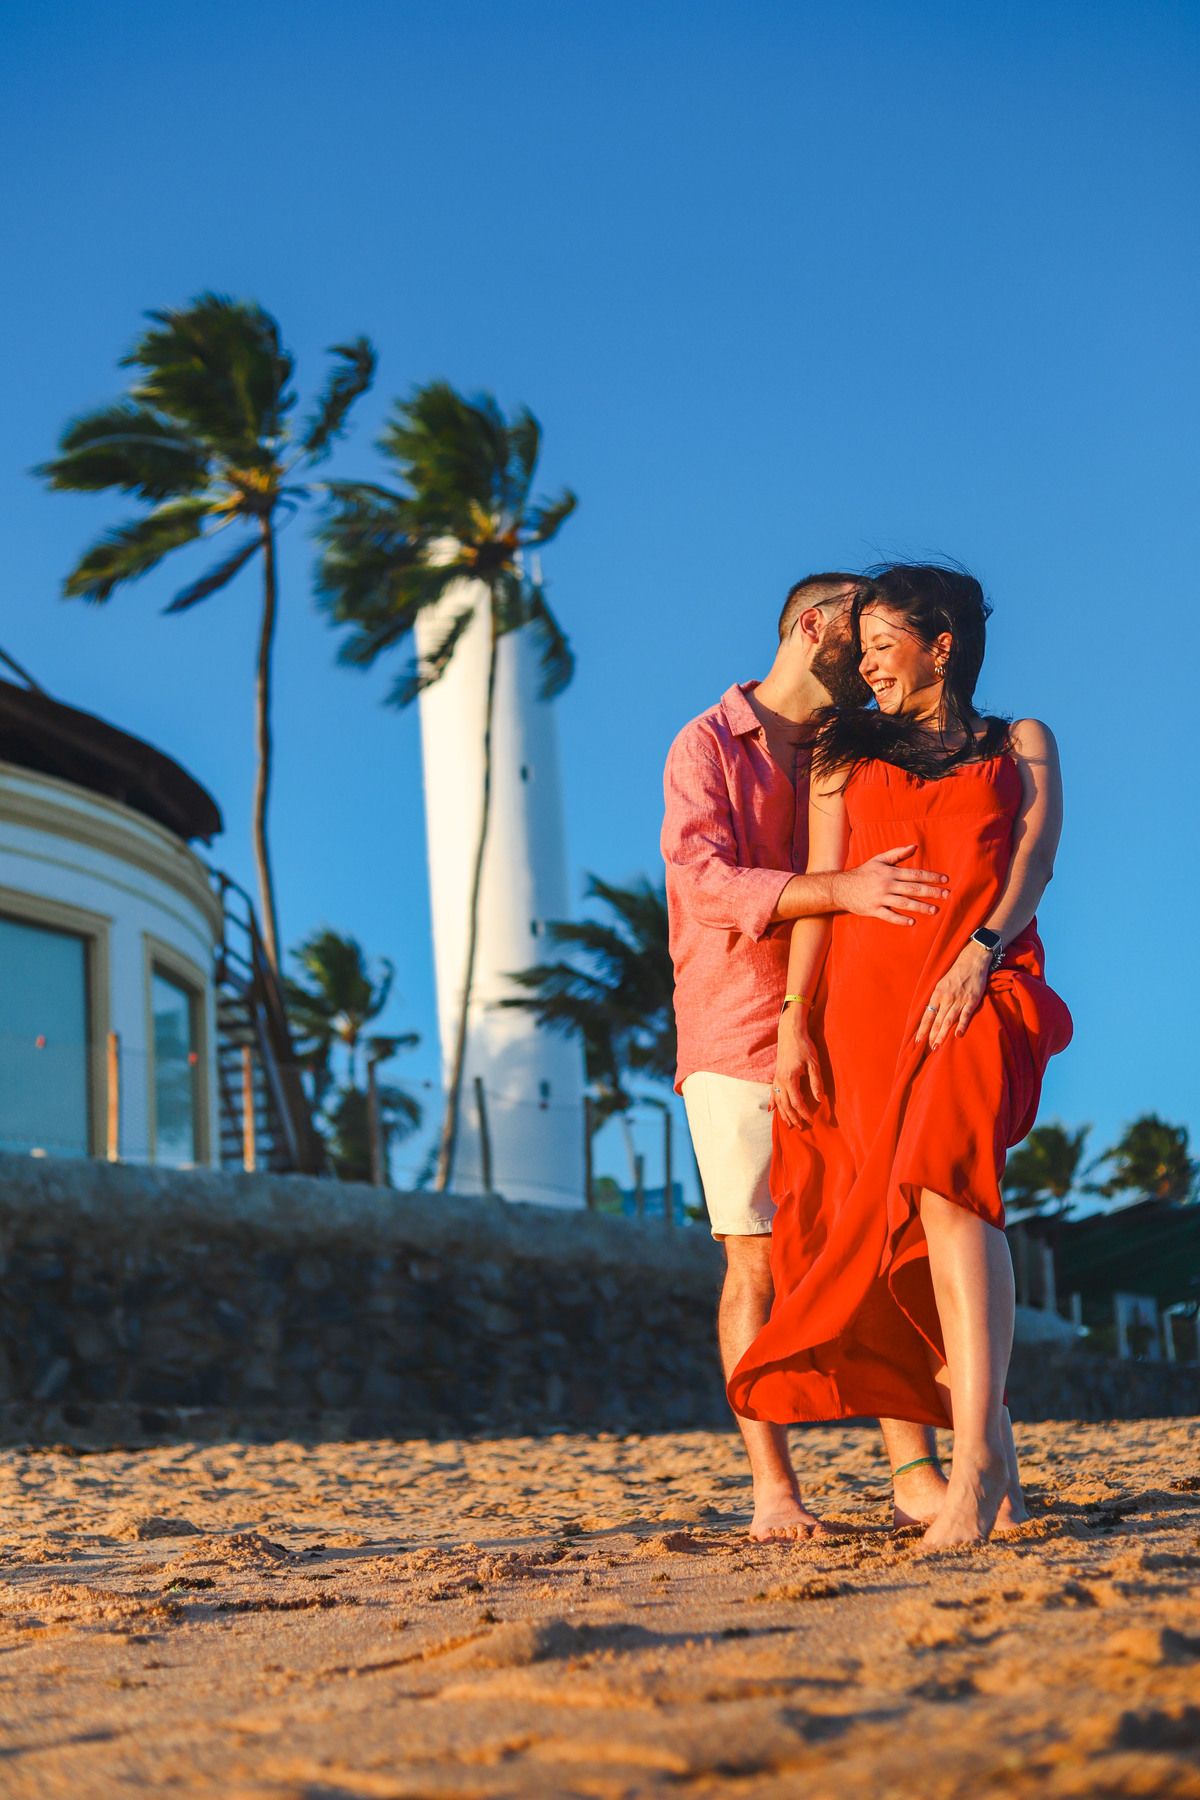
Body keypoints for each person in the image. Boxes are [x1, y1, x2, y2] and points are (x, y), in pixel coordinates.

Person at [728, 564, 1073, 1546]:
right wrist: (796, 1022)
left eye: (881, 644)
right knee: (922, 1212)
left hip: (982, 987)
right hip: (867, 1015)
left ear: (943, 644)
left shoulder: (1021, 744)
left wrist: (977, 953)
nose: (865, 663)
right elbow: (822, 892)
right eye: (861, 646)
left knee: (952, 1182)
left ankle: (970, 1470)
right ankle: (993, 1451)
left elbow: (1034, 860)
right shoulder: (842, 750)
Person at [662, 572, 955, 1540]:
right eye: (859, 636)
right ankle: (774, 1492)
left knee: (878, 1245)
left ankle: (913, 1472)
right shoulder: (707, 744)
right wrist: (839, 889)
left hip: (857, 1022)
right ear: (812, 627)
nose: (873, 658)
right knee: (754, 1262)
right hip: (736, 1024)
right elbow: (703, 882)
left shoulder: (856, 742)